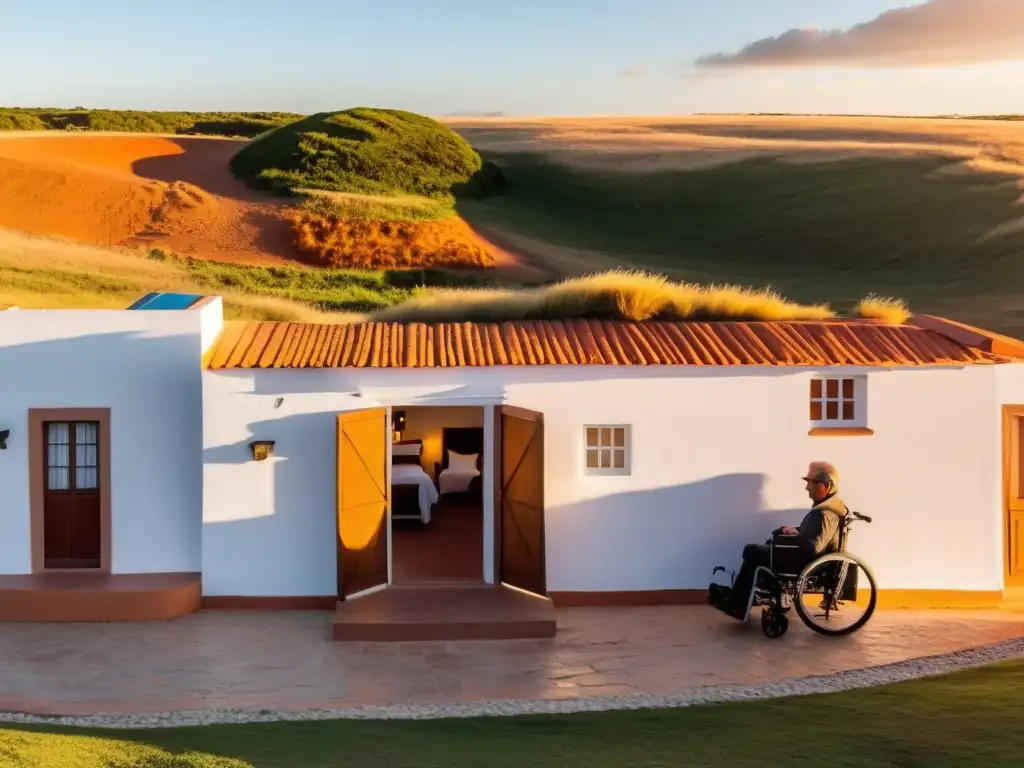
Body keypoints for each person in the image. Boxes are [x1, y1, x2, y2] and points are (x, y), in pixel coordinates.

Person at [708, 461, 849, 619]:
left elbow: (812, 548)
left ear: (823, 485)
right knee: (763, 548)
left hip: (802, 564)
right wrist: (796, 531)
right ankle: (738, 597)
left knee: (752, 551)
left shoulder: (824, 513)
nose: (806, 487)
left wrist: (795, 535)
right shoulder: (826, 509)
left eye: (809, 482)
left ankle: (737, 603)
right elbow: (814, 537)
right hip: (800, 558)